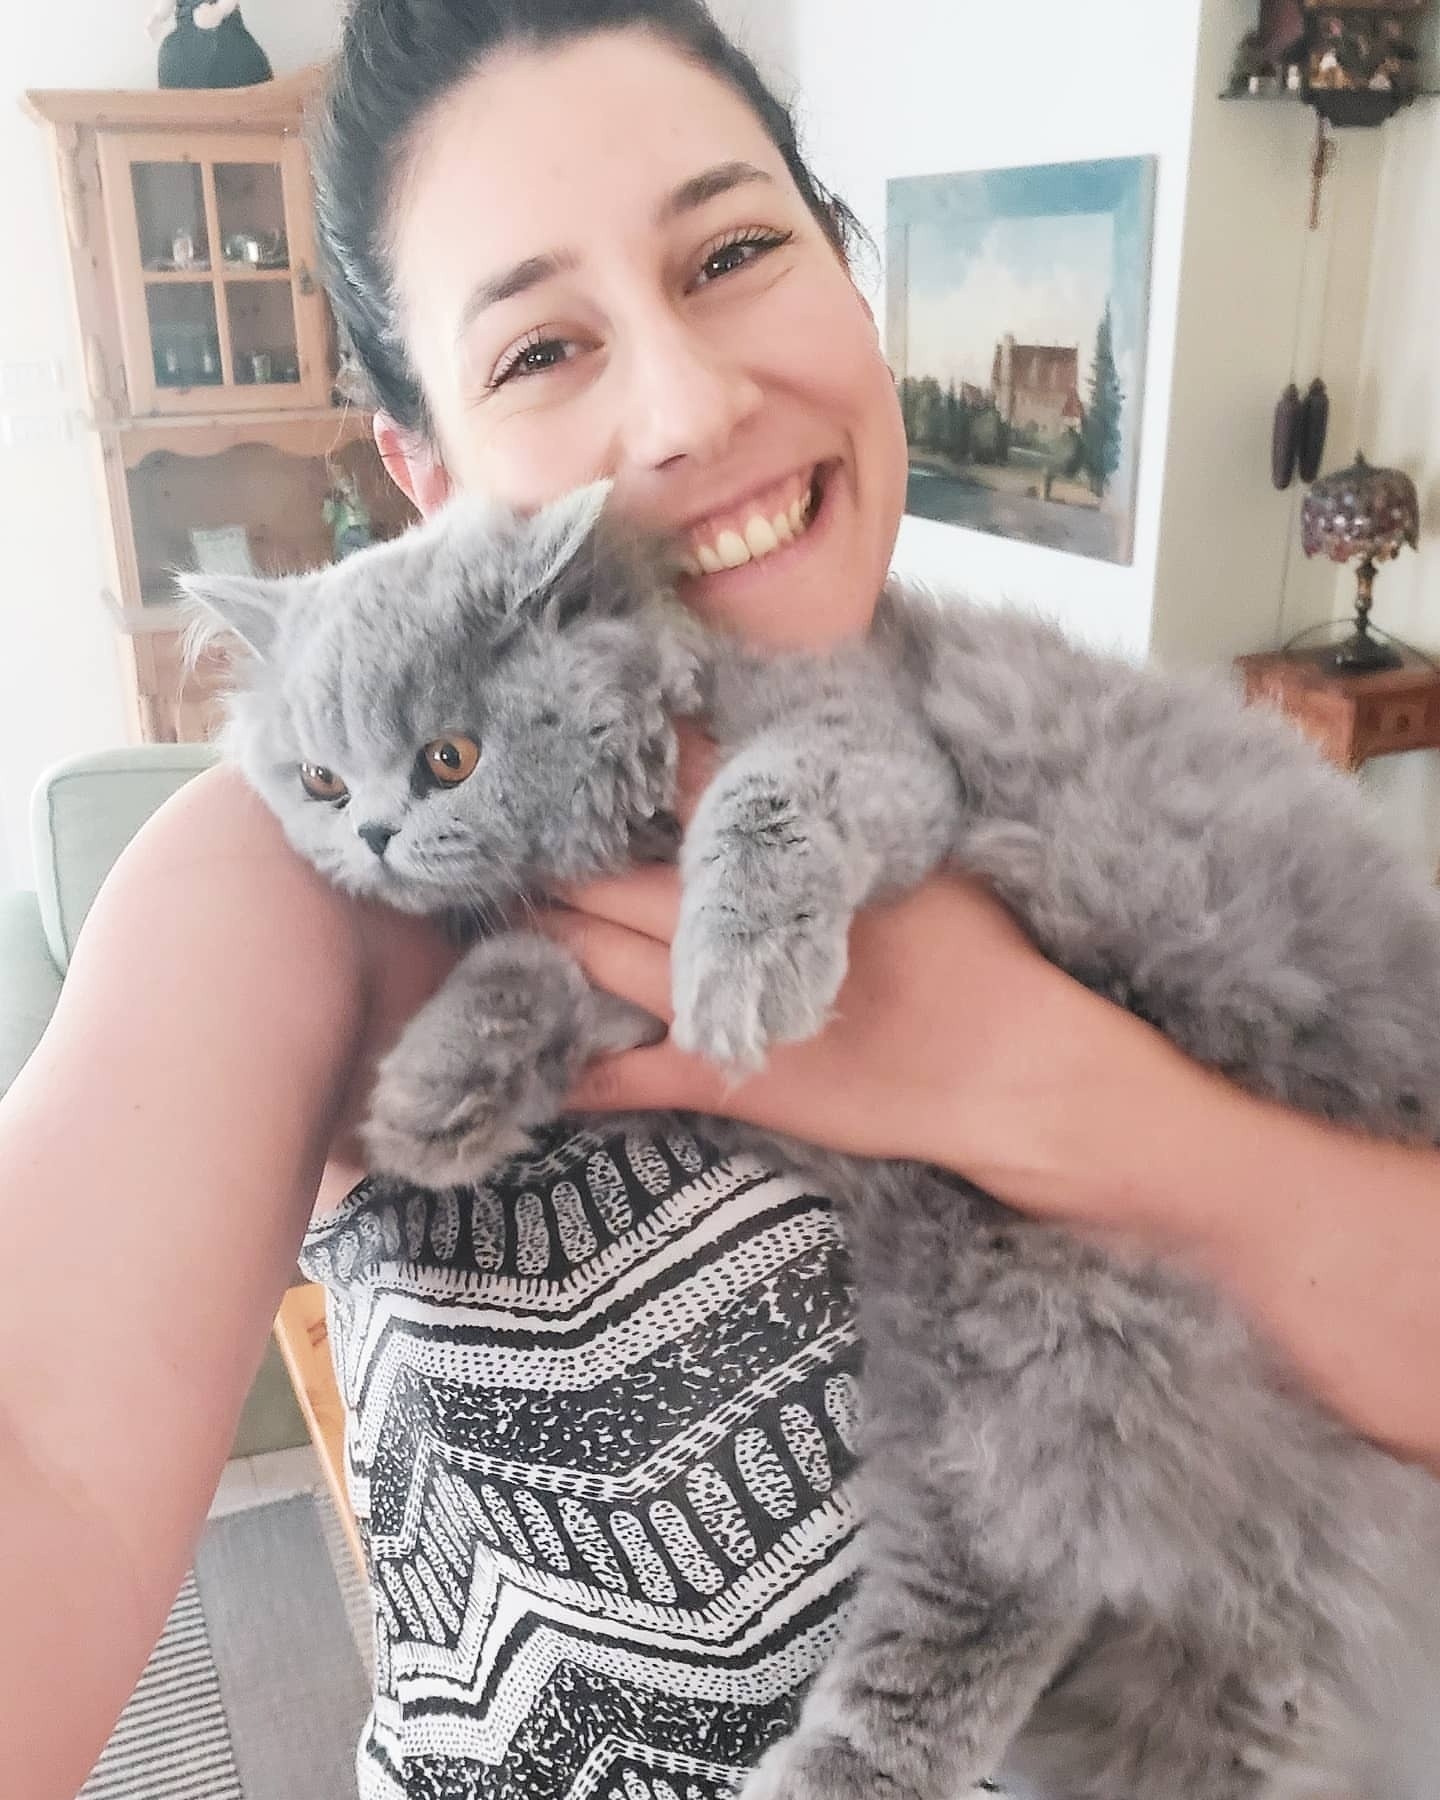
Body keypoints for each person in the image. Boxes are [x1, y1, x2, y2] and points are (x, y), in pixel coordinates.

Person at [2, 1, 1437, 1795]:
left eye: (735, 254)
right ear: (426, 471)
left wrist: (1031, 1084)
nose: (690, 408)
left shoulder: (1090, 749)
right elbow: (40, 1448)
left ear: (849, 277)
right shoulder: (310, 879)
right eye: (541, 350)